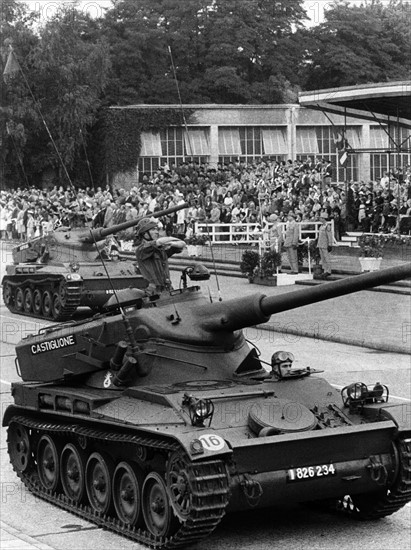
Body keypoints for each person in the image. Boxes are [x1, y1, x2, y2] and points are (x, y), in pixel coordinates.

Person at [135, 218, 186, 294]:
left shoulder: (160, 249)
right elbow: (158, 242)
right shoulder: (141, 250)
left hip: (167, 288)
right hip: (152, 291)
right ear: (144, 233)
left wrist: (172, 243)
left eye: (156, 229)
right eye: (153, 230)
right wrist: (170, 239)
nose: (156, 232)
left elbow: (181, 245)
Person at [316, 212, 333, 279]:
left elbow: (329, 236)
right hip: (320, 244)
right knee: (323, 258)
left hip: (325, 244)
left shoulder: (327, 226)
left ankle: (328, 270)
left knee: (326, 258)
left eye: (321, 218)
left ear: (324, 218)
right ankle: (325, 269)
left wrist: (330, 244)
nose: (320, 219)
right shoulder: (321, 226)